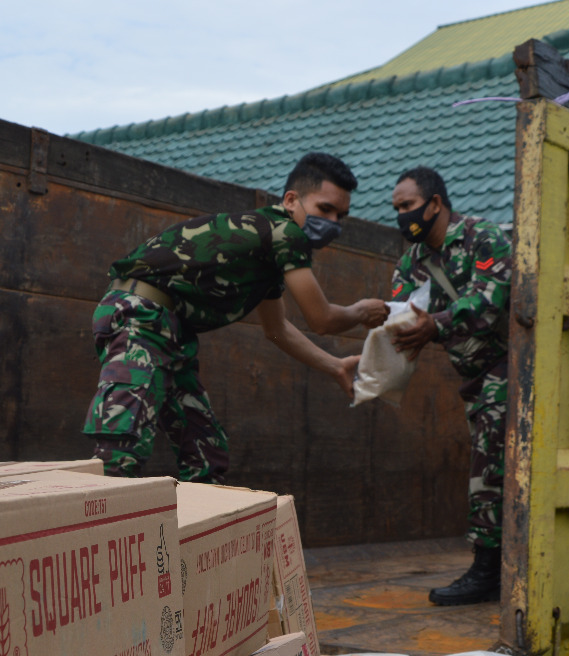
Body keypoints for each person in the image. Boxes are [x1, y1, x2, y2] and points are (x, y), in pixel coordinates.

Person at [83, 152, 389, 482]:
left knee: (206, 453)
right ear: (291, 200)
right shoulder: (286, 232)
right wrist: (362, 311)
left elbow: (277, 329)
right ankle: (98, 513)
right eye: (325, 209)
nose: (333, 223)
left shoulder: (267, 248)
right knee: (121, 447)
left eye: (340, 216)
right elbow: (321, 319)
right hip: (140, 316)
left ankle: (200, 515)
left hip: (171, 330)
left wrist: (335, 365)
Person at [387, 167, 512, 605]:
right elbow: (399, 314)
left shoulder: (484, 239)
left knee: (489, 453)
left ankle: (489, 568)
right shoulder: (411, 263)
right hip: (473, 376)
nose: (402, 216)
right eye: (397, 209)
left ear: (435, 203)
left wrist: (435, 325)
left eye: (408, 206)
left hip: (515, 364)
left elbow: (489, 302)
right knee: (492, 455)